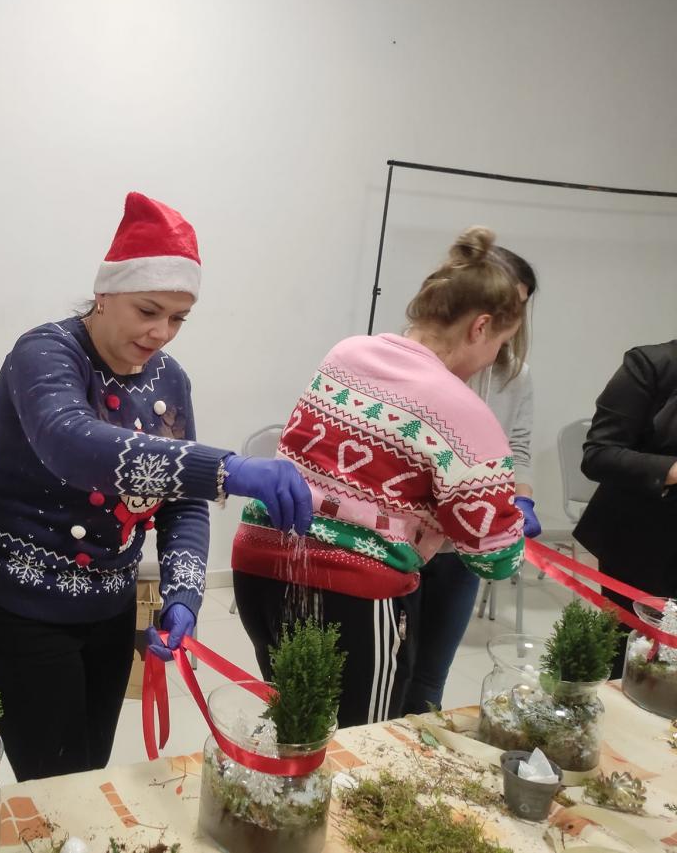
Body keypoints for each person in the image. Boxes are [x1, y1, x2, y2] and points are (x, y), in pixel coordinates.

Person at [0, 192, 312, 780]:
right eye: (148, 310)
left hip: (110, 602)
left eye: (178, 318)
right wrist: (227, 470)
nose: (161, 332)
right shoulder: (44, 353)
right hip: (17, 601)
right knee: (55, 778)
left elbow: (181, 504)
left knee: (90, 763)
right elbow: (72, 443)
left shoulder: (170, 378)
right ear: (104, 292)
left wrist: (183, 592)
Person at [232, 226, 527, 727]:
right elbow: (493, 556)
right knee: (362, 739)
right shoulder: (464, 412)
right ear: (480, 327)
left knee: (296, 721)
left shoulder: (347, 353)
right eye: (501, 342)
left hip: (261, 566)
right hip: (351, 592)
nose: (495, 357)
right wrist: (514, 528)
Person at [401, 247, 541, 715]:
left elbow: (518, 447)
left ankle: (419, 747)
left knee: (430, 676)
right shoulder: (410, 364)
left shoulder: (514, 376)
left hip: (463, 548)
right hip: (403, 543)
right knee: (395, 666)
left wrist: (522, 499)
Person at [575, 338, 677, 678]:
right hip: (642, 547)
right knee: (633, 666)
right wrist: (672, 470)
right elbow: (599, 454)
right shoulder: (651, 364)